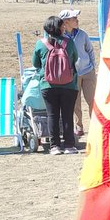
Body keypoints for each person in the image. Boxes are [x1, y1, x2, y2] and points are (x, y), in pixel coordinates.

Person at [32, 15, 79, 154]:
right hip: (69, 85)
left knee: (52, 115)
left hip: (48, 85)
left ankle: (55, 146)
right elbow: (75, 58)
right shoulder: (68, 42)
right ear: (60, 27)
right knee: (67, 114)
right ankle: (69, 145)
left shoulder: (41, 44)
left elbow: (35, 63)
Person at [59, 8, 96, 139]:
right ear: (66, 22)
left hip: (88, 71)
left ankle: (95, 126)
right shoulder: (60, 37)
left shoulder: (82, 34)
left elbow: (90, 50)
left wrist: (93, 68)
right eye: (74, 18)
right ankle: (79, 126)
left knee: (92, 100)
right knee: (75, 102)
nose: (77, 20)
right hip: (72, 74)